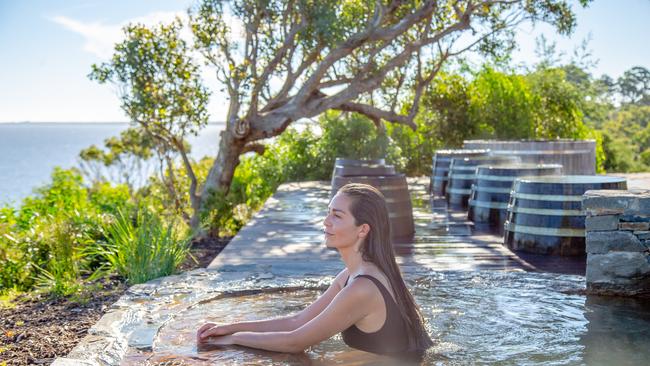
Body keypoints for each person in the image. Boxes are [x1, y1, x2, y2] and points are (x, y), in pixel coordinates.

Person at [196, 183, 433, 359]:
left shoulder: (363, 288)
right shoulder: (355, 274)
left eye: (337, 216)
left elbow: (294, 342)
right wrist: (230, 326)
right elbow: (296, 321)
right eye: (328, 212)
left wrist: (232, 340)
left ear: (362, 230)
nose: (325, 221)